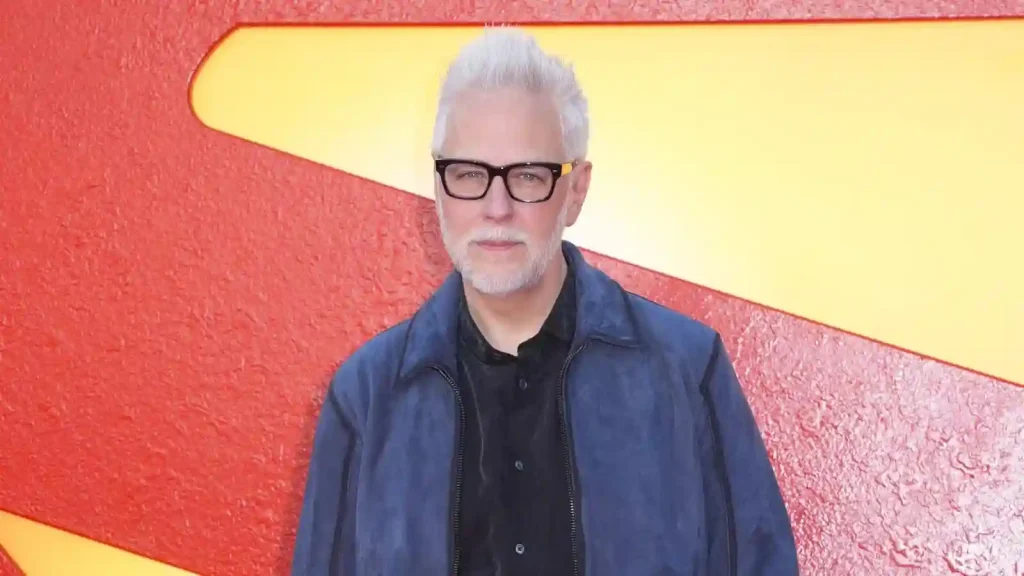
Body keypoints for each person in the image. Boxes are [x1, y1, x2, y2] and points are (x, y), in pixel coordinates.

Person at [291, 26, 799, 576]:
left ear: (576, 190)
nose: (497, 207)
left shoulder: (686, 373)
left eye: (528, 176)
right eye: (468, 174)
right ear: (439, 188)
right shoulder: (365, 396)